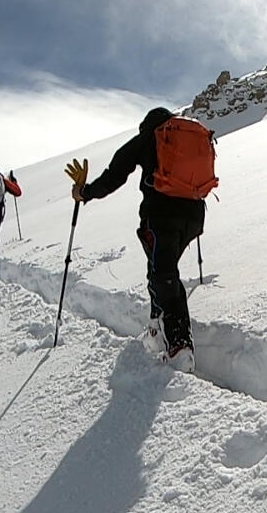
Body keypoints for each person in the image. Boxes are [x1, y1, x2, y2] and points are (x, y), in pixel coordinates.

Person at [66, 107, 206, 366]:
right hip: (194, 217)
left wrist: (84, 193)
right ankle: (157, 329)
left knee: (162, 274)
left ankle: (178, 345)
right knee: (163, 271)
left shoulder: (148, 136)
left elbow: (114, 176)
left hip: (161, 217)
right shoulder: (189, 136)